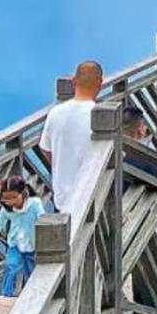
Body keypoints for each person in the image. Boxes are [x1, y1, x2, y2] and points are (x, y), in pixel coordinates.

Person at [39, 60, 102, 211]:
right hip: (93, 199)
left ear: (74, 81)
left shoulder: (55, 113)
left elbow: (45, 149)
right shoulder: (99, 115)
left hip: (62, 200)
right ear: (100, 83)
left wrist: (59, 164)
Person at [0, 176, 44, 297]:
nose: (10, 201)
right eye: (6, 198)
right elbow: (0, 221)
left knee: (31, 272)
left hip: (32, 244)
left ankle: (30, 296)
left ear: (23, 194)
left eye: (14, 197)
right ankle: (6, 295)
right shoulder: (7, 209)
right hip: (15, 244)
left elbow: (42, 218)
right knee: (11, 266)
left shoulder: (34, 204)